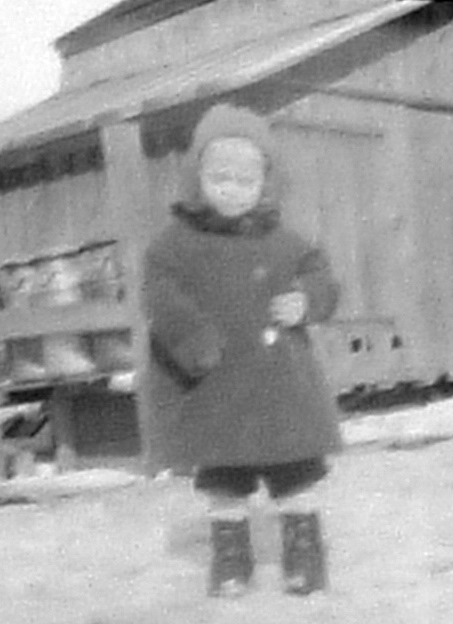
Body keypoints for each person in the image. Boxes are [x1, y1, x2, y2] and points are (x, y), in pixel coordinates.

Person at [142, 103, 342, 597]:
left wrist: (306, 300)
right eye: (220, 178)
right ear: (197, 178)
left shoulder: (284, 241)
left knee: (295, 471)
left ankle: (304, 554)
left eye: (245, 181)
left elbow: (320, 276)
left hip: (279, 384)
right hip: (215, 383)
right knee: (224, 476)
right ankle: (231, 558)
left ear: (265, 184)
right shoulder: (175, 244)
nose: (232, 190)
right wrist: (192, 338)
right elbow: (160, 294)